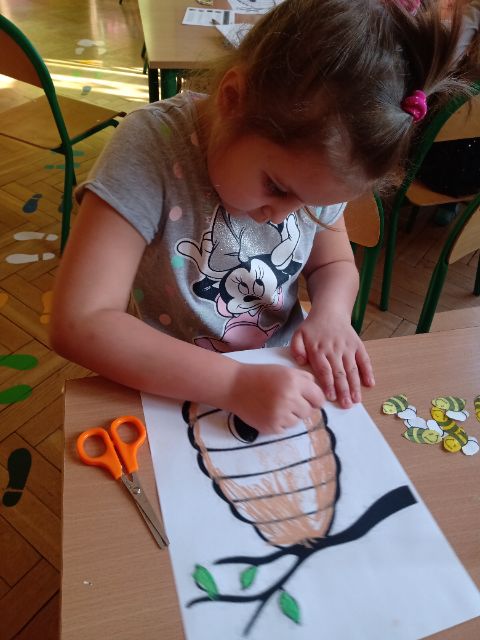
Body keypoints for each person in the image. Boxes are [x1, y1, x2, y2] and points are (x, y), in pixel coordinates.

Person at [50, 0, 465, 434]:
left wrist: (332, 314)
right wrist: (233, 383)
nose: (282, 216)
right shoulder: (149, 147)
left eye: (309, 204)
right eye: (278, 188)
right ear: (232, 99)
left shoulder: (313, 170)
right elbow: (81, 321)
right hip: (165, 380)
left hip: (277, 375)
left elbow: (334, 263)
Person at [416, 0, 480, 225]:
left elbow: (447, 60)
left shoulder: (474, 11)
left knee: (435, 98)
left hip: (436, 170)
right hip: (475, 179)